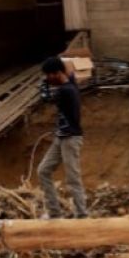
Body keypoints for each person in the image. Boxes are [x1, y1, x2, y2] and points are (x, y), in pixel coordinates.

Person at [37, 56, 88, 219]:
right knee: (43, 171)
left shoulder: (66, 90)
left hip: (71, 138)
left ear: (57, 73)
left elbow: (45, 98)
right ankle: (54, 212)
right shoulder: (70, 84)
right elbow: (70, 75)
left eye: (48, 75)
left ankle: (81, 214)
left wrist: (43, 87)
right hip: (61, 137)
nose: (47, 79)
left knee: (73, 177)